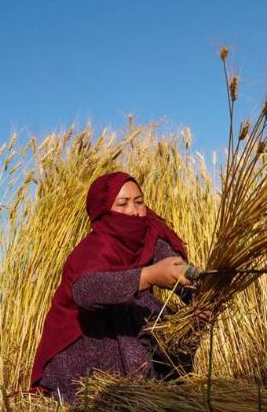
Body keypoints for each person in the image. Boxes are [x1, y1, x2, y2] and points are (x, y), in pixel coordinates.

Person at [29, 171, 200, 404]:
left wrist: (197, 296)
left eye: (139, 202)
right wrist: (148, 275)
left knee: (163, 321)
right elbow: (86, 291)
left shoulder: (149, 236)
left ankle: (161, 388)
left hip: (126, 329)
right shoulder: (93, 248)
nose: (133, 211)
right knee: (132, 312)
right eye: (122, 204)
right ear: (103, 212)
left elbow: (176, 269)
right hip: (84, 348)